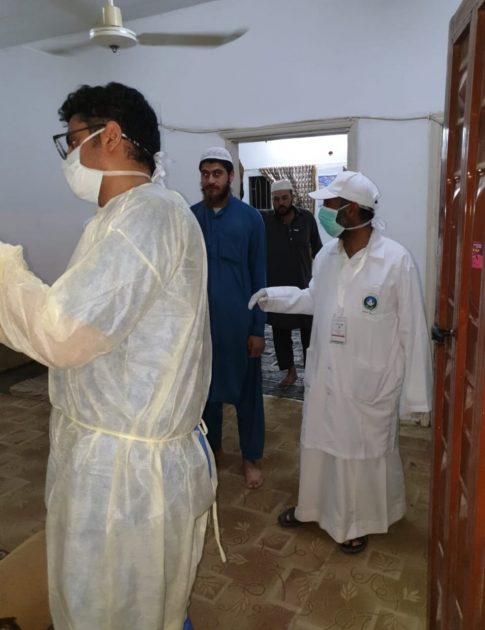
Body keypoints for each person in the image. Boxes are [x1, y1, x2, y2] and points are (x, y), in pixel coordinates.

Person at [0, 82, 217, 629]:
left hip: (125, 473)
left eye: (72, 141)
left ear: (112, 136)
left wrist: (3, 269)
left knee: (113, 607)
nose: (68, 157)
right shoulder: (128, 217)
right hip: (115, 450)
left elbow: (62, 334)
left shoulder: (145, 217)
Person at [249, 170, 432, 553]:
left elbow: (414, 330)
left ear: (351, 210)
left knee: (359, 454)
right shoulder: (327, 257)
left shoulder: (395, 261)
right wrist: (273, 296)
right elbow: (314, 298)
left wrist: (416, 398)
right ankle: (312, 509)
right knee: (319, 444)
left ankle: (356, 522)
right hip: (327, 375)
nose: (323, 214)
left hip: (369, 380)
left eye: (330, 206)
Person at [191, 147, 266, 489]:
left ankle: (250, 458)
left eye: (217, 174)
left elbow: (259, 275)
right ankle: (213, 451)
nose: (210, 180)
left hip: (240, 324)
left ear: (231, 177)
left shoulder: (251, 219)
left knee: (248, 394)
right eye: (205, 174)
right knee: (206, 393)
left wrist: (258, 328)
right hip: (202, 325)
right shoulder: (191, 218)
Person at [262, 179, 322, 388]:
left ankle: (310, 374)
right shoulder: (265, 220)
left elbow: (318, 249)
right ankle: (290, 372)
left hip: (304, 287)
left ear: (292, 197)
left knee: (309, 333)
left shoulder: (307, 218)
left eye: (284, 198)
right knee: (280, 332)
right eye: (276, 199)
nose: (280, 203)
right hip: (277, 289)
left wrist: (321, 278)